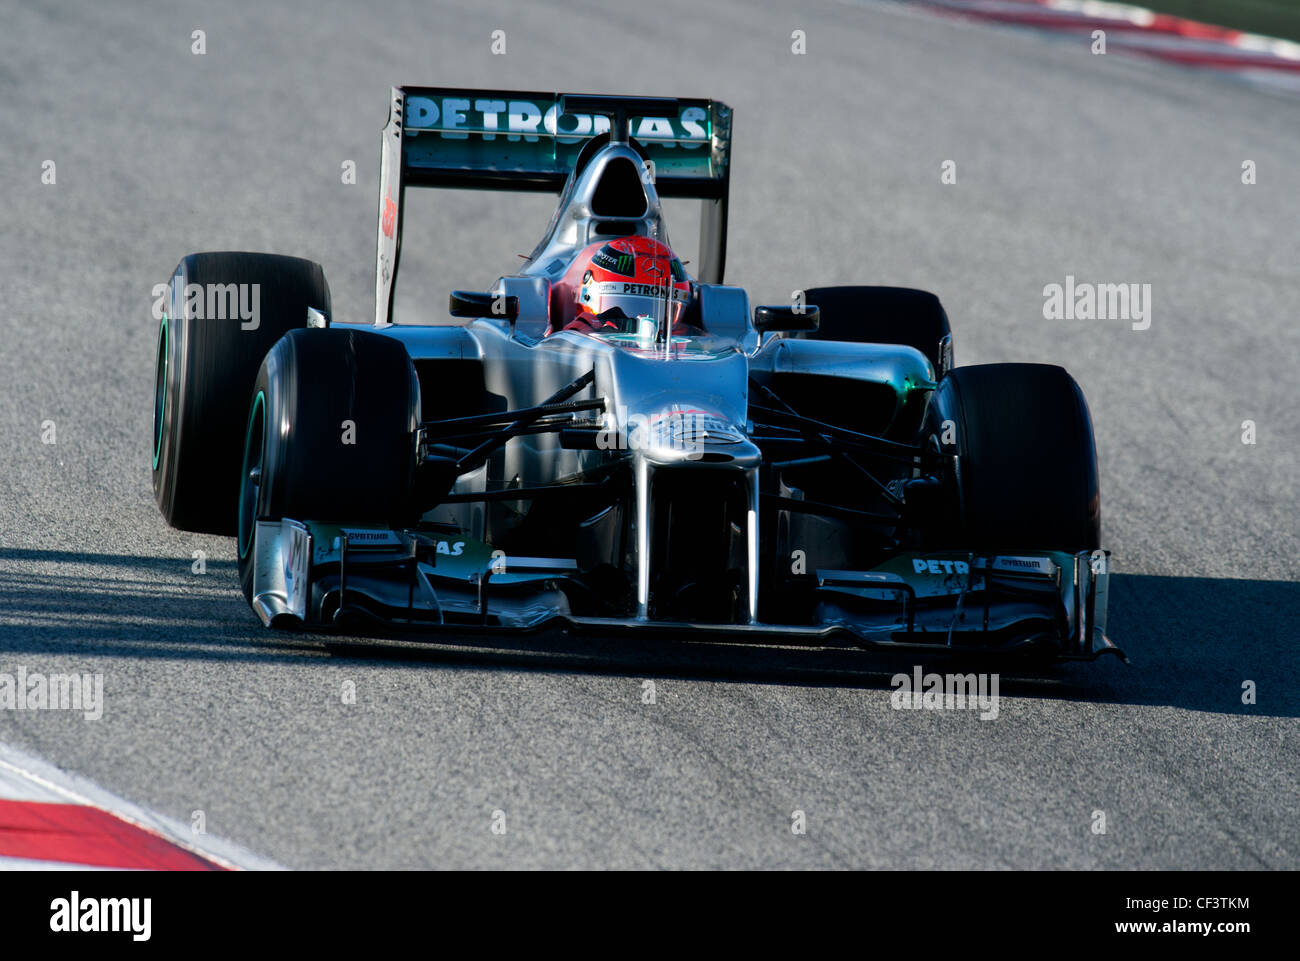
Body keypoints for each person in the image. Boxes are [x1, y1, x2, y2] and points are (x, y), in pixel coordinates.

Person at [548, 236, 697, 339]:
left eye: (659, 313)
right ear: (588, 296)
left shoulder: (681, 339)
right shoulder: (578, 333)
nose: (645, 323)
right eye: (629, 309)